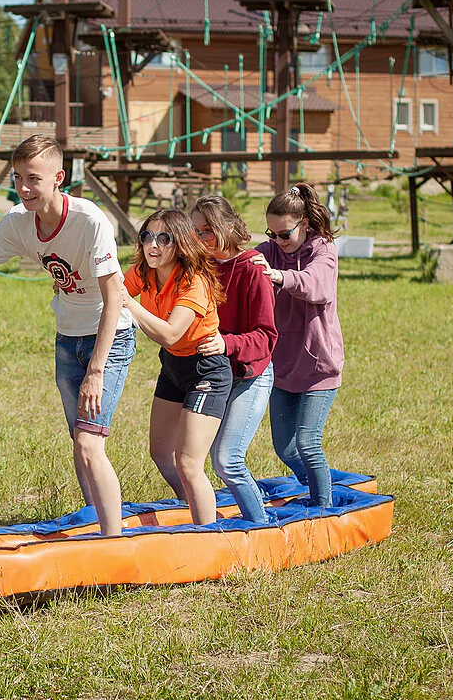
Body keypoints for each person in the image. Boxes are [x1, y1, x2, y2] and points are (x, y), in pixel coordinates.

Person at [0, 135, 136, 536]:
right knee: (80, 443)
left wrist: (97, 371)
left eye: (34, 178)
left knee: (89, 444)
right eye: (18, 178)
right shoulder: (17, 221)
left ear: (58, 178)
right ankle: (93, 524)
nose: (25, 188)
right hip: (68, 336)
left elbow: (114, 297)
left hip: (110, 335)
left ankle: (113, 543)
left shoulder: (89, 221)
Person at [122, 209, 232, 526]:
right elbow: (109, 289)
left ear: (180, 243)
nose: (152, 245)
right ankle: (190, 504)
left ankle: (208, 535)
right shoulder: (144, 273)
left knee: (189, 463)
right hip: (172, 365)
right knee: (160, 453)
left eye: (163, 238)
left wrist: (128, 303)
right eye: (147, 236)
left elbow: (170, 333)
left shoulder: (193, 281)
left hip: (206, 370)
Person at [252, 182, 344, 508]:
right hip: (283, 365)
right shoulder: (269, 251)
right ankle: (317, 481)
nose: (277, 240)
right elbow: (240, 265)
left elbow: (317, 286)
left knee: (308, 442)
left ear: (304, 224)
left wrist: (279, 277)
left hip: (319, 364)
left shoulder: (324, 250)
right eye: (271, 233)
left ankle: (323, 508)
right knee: (284, 448)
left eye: (284, 234)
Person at [190, 195, 277, 523]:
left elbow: (267, 336)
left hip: (252, 372)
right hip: (218, 372)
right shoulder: (204, 267)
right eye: (195, 232)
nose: (201, 240)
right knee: (200, 457)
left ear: (228, 227)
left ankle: (262, 527)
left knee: (227, 459)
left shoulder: (252, 269)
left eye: (207, 232)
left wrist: (225, 343)